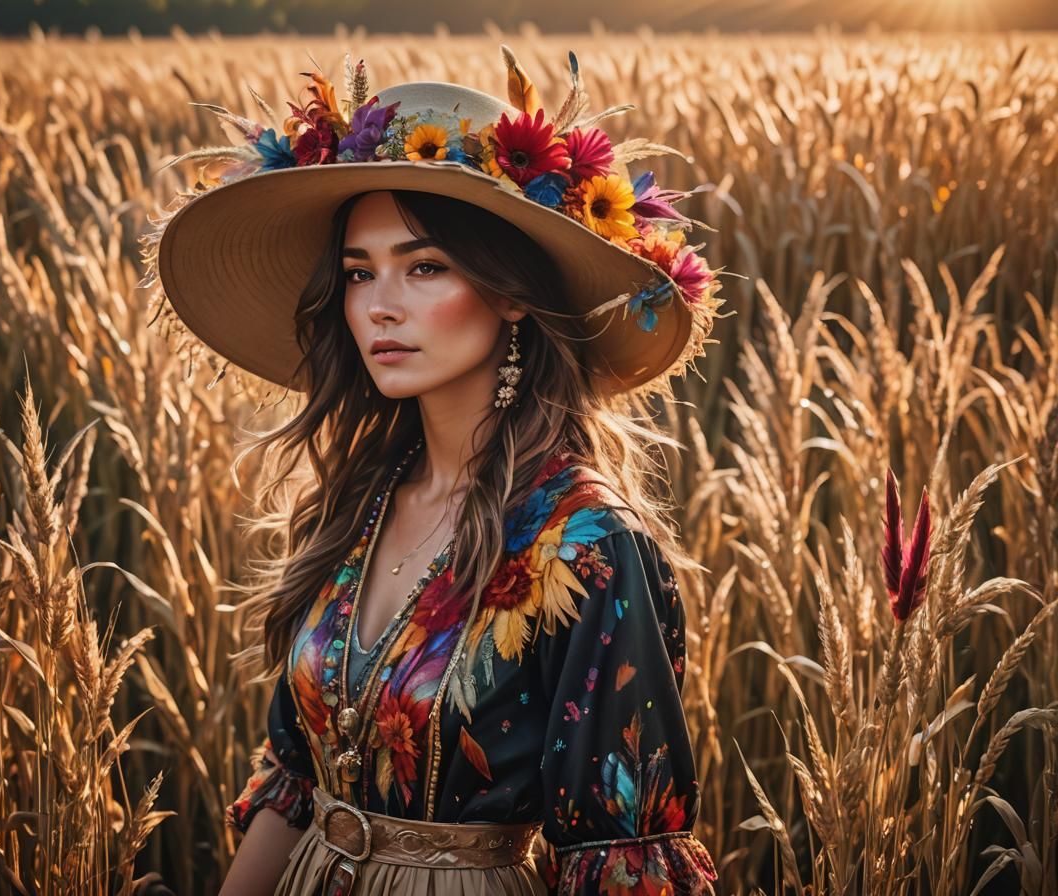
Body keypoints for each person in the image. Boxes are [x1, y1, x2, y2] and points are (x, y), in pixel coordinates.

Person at [139, 44, 725, 896]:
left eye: (423, 267)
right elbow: (297, 780)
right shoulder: (357, 504)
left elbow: (619, 859)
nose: (380, 305)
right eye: (357, 273)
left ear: (510, 291)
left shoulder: (587, 548)